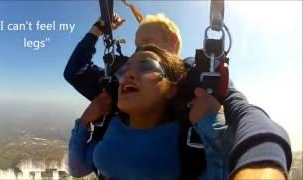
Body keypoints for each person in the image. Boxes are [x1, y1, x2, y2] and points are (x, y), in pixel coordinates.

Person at [65, 14, 292, 179]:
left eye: (145, 43)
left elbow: (242, 111)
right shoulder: (127, 79)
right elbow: (76, 72)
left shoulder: (196, 77)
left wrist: (261, 159)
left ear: (172, 41)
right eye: (136, 45)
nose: (137, 50)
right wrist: (97, 30)